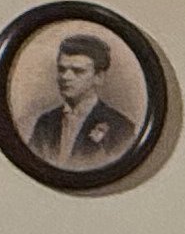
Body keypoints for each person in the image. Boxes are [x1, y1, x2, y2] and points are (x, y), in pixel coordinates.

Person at [27, 37, 135, 168]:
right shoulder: (45, 123)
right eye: (61, 69)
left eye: (78, 71)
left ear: (99, 77)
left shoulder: (120, 127)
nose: (65, 77)